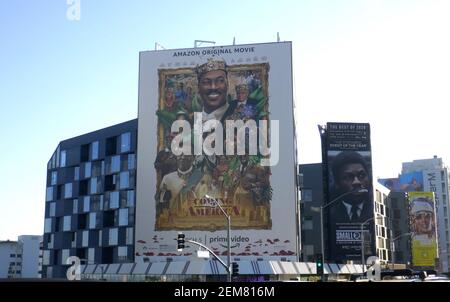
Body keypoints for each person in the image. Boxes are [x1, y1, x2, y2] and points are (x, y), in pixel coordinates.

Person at [328, 150, 373, 224]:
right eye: (348, 177)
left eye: (362, 175)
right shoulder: (329, 212)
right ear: (337, 183)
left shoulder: (375, 211)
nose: (357, 182)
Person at [196, 58, 237, 123]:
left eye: (220, 81)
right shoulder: (191, 120)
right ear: (198, 87)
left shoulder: (239, 117)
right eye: (206, 82)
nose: (213, 87)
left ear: (227, 84)